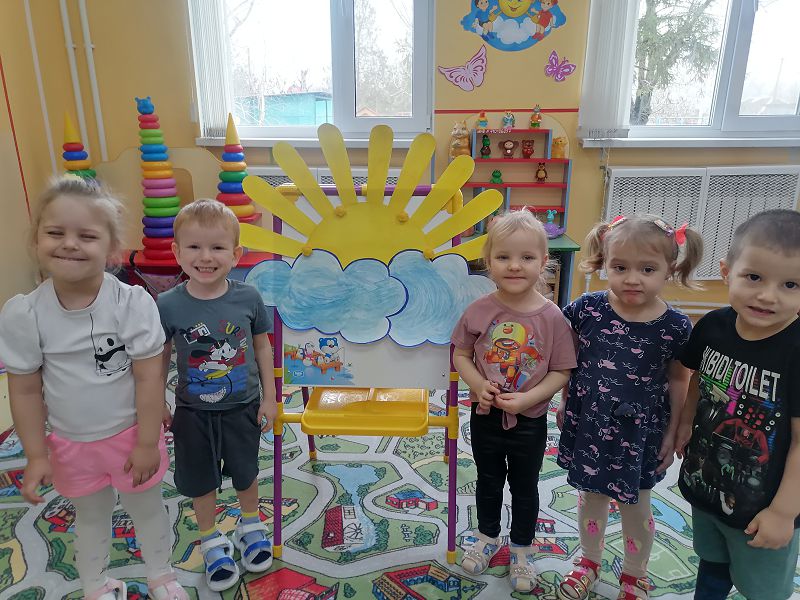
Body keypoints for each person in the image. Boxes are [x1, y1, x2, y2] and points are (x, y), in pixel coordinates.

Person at [0, 177, 187, 600]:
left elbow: (149, 376)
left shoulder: (130, 304)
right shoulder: (26, 314)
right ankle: (95, 584)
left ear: (111, 248)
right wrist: (35, 454)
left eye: (86, 236)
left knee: (146, 509)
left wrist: (146, 442)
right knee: (90, 516)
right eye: (55, 232)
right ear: (36, 240)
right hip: (72, 443)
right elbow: (25, 391)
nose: (70, 244)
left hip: (130, 436)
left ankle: (161, 575)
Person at [556, 214, 703, 600]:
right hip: (590, 424)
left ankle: (634, 575)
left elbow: (679, 379)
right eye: (620, 267)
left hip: (640, 433)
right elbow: (566, 357)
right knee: (591, 497)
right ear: (604, 263)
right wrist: (564, 398)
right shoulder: (587, 309)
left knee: (635, 505)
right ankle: (588, 561)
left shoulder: (676, 326)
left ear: (670, 269)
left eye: (647, 269)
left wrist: (673, 430)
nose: (632, 279)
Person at [674, 209, 800, 600]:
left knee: (761, 589)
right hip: (707, 483)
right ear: (727, 272)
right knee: (711, 562)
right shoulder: (712, 325)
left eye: (791, 284)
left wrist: (783, 512)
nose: (768, 295)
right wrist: (684, 423)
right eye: (754, 277)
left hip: (763, 508)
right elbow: (698, 379)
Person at [451, 210, 576, 592]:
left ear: (543, 261)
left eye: (526, 257)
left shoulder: (553, 317)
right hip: (485, 414)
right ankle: (488, 536)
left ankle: (521, 548)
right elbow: (461, 354)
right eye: (503, 256)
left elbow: (561, 370)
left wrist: (528, 399)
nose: (515, 265)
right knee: (488, 480)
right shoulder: (479, 310)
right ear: (488, 261)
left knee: (525, 486)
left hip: (530, 420)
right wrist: (478, 384)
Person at [157, 199, 277, 592]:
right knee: (200, 480)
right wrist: (157, 401)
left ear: (236, 254)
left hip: (243, 406)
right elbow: (160, 356)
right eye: (194, 247)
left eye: (217, 247)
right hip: (192, 412)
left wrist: (270, 397)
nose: (206, 257)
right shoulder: (168, 304)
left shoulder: (248, 298)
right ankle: (210, 540)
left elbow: (262, 348)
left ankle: (250, 526)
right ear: (177, 252)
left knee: (246, 472)